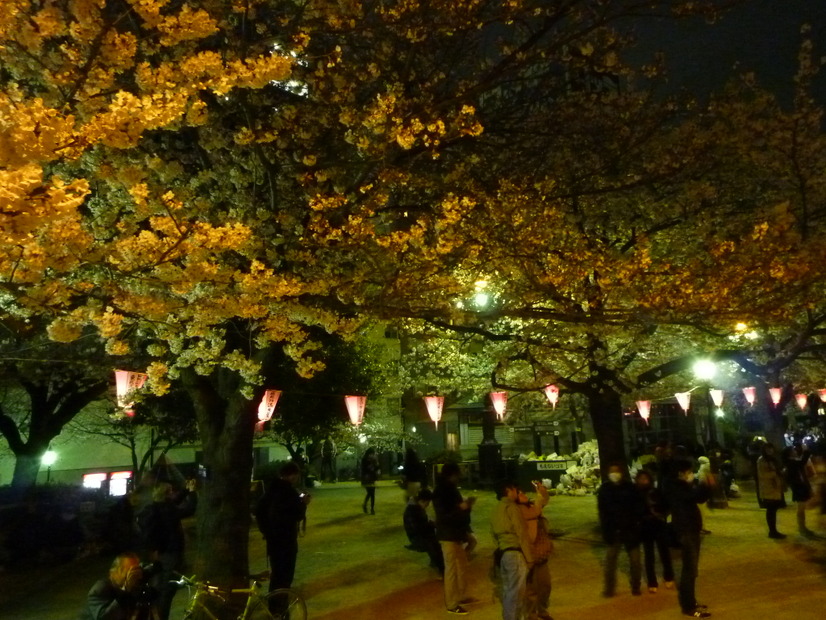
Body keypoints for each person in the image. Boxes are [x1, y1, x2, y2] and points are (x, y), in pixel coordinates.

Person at [136, 480, 197, 620]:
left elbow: (174, 501)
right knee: (168, 589)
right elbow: (189, 509)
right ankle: (161, 616)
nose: (174, 493)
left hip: (160, 552)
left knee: (160, 585)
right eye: (171, 491)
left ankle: (154, 615)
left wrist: (186, 490)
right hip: (170, 553)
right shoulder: (169, 510)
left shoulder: (156, 507)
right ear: (167, 494)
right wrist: (193, 493)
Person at [256, 462, 311, 601]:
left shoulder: (271, 490)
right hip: (286, 541)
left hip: (273, 541)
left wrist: (266, 531)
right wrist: (303, 503)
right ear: (292, 476)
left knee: (276, 576)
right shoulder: (289, 492)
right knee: (285, 577)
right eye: (296, 475)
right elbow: (297, 515)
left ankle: (273, 607)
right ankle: (280, 610)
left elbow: (258, 510)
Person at [433, 462, 477, 615]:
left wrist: (465, 507)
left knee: (462, 566)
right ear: (452, 475)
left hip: (455, 533)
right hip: (448, 535)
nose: (459, 477)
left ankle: (462, 596)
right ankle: (452, 604)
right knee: (451, 570)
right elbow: (444, 515)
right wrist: (462, 507)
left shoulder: (448, 489)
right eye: (457, 474)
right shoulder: (441, 491)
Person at [670, 460, 711, 618]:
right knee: (689, 570)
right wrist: (703, 485)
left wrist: (705, 486)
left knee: (692, 570)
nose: (690, 475)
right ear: (681, 473)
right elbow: (693, 496)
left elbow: (699, 498)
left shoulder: (683, 486)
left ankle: (691, 601)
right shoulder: (676, 487)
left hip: (692, 530)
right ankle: (688, 606)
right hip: (686, 531)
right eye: (688, 472)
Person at [597, 463, 644, 598]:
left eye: (616, 471)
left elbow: (637, 507)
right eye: (612, 471)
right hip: (613, 531)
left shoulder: (630, 488)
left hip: (630, 530)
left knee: (635, 561)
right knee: (610, 561)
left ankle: (636, 586)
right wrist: (606, 531)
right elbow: (602, 512)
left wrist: (636, 524)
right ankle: (609, 588)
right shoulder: (604, 489)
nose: (614, 474)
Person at [491, 480, 534, 620]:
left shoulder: (496, 509)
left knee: (508, 591)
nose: (517, 492)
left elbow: (493, 535)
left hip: (504, 555)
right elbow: (521, 533)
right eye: (515, 490)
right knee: (516, 594)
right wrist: (529, 558)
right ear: (508, 490)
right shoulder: (512, 507)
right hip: (515, 554)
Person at [516, 481, 553, 620]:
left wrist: (541, 491)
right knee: (530, 589)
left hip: (541, 553)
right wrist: (539, 499)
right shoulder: (518, 511)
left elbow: (542, 501)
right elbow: (538, 507)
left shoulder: (531, 507)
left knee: (545, 585)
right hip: (529, 554)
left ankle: (542, 611)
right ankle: (531, 615)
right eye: (519, 493)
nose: (523, 494)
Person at [635, 470, 674, 594]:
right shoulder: (636, 494)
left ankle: (668, 576)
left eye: (645, 478)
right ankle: (652, 581)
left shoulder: (656, 492)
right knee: (649, 555)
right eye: (641, 478)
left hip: (659, 525)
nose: (643, 481)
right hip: (645, 527)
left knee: (664, 552)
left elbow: (667, 505)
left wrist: (662, 515)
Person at [79, 552, 147, 620]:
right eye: (130, 572)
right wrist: (125, 590)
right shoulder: (100, 589)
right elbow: (105, 618)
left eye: (137, 570)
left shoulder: (134, 588)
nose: (134, 576)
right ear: (113, 573)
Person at [403, 488, 444, 574]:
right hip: (416, 537)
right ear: (422, 500)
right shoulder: (412, 510)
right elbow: (417, 528)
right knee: (434, 544)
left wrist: (432, 524)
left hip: (423, 534)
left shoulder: (417, 507)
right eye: (427, 503)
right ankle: (442, 570)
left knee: (437, 541)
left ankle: (436, 563)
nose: (428, 505)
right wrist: (432, 525)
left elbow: (423, 523)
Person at [782, 443, 815, 537]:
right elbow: (802, 462)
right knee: (801, 509)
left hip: (801, 486)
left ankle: (803, 527)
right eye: (793, 450)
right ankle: (802, 528)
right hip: (798, 487)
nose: (795, 451)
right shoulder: (791, 462)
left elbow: (803, 474)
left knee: (802, 508)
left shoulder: (793, 461)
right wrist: (806, 451)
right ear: (789, 453)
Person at [756, 442, 786, 539]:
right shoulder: (762, 460)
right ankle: (772, 531)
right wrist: (775, 473)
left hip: (775, 487)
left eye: (771, 448)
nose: (770, 450)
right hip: (768, 488)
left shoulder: (772, 459)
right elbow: (762, 475)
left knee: (774, 509)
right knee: (771, 510)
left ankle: (774, 531)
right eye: (767, 449)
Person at [361, 447, 380, 515]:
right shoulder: (365, 460)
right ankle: (369, 507)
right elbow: (365, 469)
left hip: (371, 478)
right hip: (367, 478)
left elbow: (377, 468)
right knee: (371, 493)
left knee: (371, 494)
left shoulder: (373, 460)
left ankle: (370, 507)